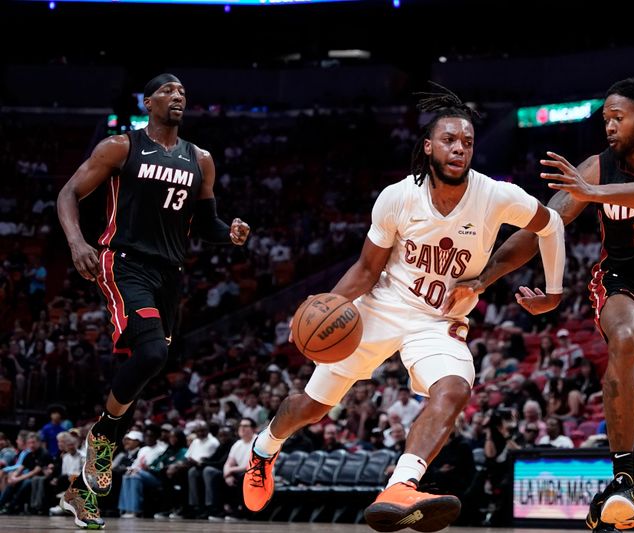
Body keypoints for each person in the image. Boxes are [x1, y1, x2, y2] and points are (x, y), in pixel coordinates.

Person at [242, 84, 566, 533]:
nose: (460, 148)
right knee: (312, 407)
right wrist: (324, 308)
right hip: (380, 309)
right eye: (450, 140)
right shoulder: (397, 196)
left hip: (438, 320)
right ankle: (264, 448)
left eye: (468, 142)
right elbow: (365, 268)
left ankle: (401, 486)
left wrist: (552, 289)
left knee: (454, 389)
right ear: (429, 146)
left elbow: (550, 225)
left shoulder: (495, 195)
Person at [450, 78, 634, 532]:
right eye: (604, 118)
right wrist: (484, 278)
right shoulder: (597, 168)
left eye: (617, 117)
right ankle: (623, 474)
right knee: (624, 336)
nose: (608, 126)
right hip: (620, 282)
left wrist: (593, 194)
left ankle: (608, 500)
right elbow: (541, 228)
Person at [55, 73, 250, 529]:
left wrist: (232, 235)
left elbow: (208, 224)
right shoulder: (120, 147)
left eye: (183, 91)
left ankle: (80, 491)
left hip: (170, 274)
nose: (178, 96)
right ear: (149, 101)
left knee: (144, 372)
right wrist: (76, 242)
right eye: (168, 90)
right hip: (124, 263)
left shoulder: (200, 159)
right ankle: (101, 440)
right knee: (151, 352)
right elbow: (68, 193)